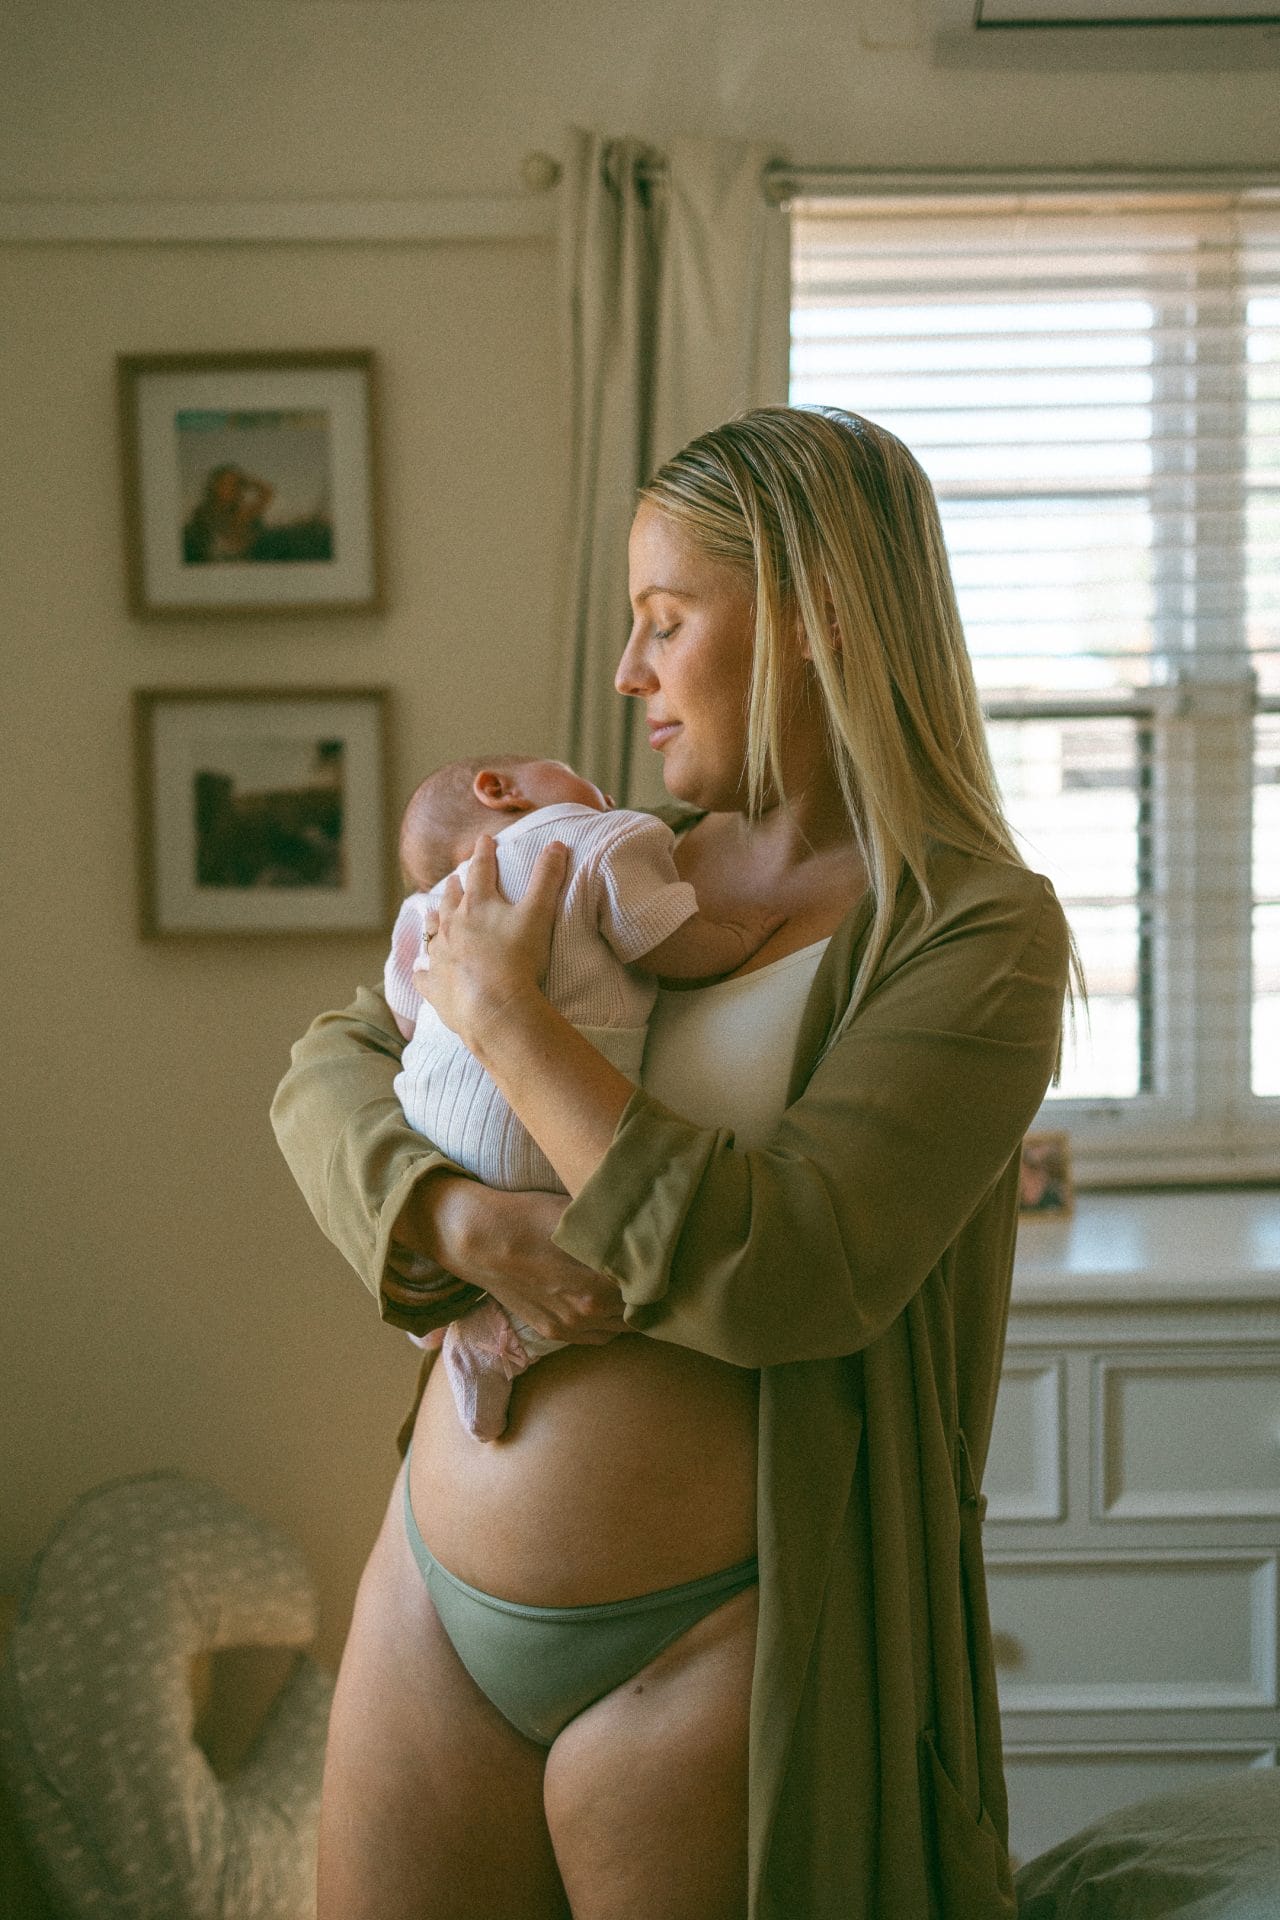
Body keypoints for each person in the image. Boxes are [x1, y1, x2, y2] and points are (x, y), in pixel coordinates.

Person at [271, 404, 1073, 1919]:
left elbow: (796, 1271)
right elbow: (327, 1073)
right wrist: (459, 1219)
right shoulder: (612, 853)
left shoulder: (973, 935)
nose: (629, 672)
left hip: (716, 1644)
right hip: (431, 1606)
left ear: (816, 614)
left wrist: (512, 1022)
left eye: (665, 621)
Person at [386, 750, 782, 1439]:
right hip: (528, 1124)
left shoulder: (434, 903)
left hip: (431, 1110)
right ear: (499, 788)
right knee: (597, 1260)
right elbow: (659, 940)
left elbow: (402, 1006)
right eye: (575, 773)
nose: (597, 790)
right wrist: (732, 940)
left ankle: (450, 1305)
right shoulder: (599, 833)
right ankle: (497, 1340)